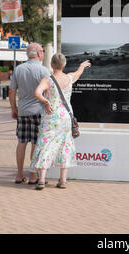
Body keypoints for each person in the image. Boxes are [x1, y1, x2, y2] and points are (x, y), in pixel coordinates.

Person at [30, 53, 91, 190]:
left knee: (45, 145)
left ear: (51, 65)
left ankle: (42, 180)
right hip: (66, 117)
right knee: (65, 145)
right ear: (64, 65)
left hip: (51, 116)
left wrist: (46, 101)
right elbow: (78, 73)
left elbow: (37, 93)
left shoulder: (47, 80)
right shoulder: (69, 78)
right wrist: (82, 66)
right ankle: (63, 180)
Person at [9, 43, 50, 184]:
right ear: (38, 54)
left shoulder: (18, 69)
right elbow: (48, 93)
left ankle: (19, 175)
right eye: (42, 51)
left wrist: (14, 108)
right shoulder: (44, 71)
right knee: (35, 143)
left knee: (21, 142)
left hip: (23, 111)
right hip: (38, 111)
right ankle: (33, 176)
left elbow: (12, 91)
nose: (43, 53)